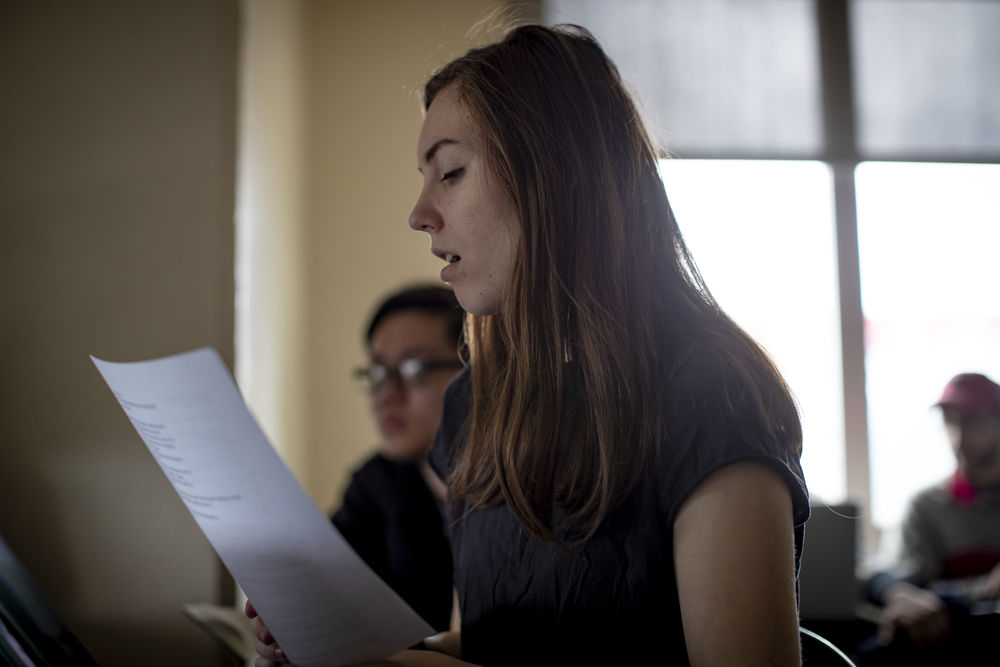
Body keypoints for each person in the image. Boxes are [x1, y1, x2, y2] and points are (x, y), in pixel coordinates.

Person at [250, 22, 809, 666]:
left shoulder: (706, 390)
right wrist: (342, 649)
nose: (419, 213)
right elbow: (489, 641)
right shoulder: (473, 405)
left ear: (551, 174)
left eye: (451, 171)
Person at [331, 284, 465, 632]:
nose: (387, 394)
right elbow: (330, 594)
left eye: (413, 368)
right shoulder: (376, 484)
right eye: (377, 373)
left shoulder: (525, 488)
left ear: (471, 371)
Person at [858, 372, 1000, 665]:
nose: (959, 438)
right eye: (950, 422)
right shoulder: (926, 506)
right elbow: (911, 595)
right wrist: (986, 587)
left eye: (972, 421)